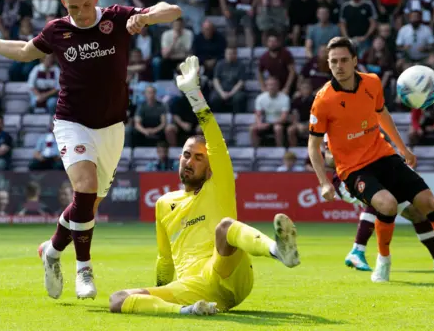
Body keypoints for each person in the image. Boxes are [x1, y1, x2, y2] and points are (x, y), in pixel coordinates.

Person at [0, 0, 182, 300]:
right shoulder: (57, 31)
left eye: (85, 5)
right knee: (84, 188)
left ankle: (51, 251)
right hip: (71, 122)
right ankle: (83, 269)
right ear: (62, 3)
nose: (80, 14)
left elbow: (173, 11)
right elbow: (25, 50)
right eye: (72, 8)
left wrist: (146, 17)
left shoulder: (117, 18)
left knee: (87, 206)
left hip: (112, 127)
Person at [109, 56, 300, 316]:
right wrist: (160, 292)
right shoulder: (164, 204)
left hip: (229, 272)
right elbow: (165, 260)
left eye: (199, 158)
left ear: (210, 167)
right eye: (187, 154)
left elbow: (216, 142)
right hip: (194, 288)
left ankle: (279, 251)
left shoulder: (217, 185)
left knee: (225, 227)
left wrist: (194, 96)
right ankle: (189, 311)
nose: (190, 161)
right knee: (117, 299)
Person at [307, 37, 434, 284]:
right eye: (333, 62)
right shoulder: (323, 100)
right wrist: (324, 182)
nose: (338, 66)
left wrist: (402, 148)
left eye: (343, 60)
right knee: (387, 204)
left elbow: (382, 114)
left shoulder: (372, 83)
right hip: (353, 170)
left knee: (429, 202)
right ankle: (383, 261)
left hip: (383, 156)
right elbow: (313, 145)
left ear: (354, 61)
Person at [320, 138, 434, 272]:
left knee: (416, 213)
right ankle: (357, 251)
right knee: (379, 200)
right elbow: (330, 159)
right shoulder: (338, 124)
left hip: (376, 174)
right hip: (348, 178)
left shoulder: (367, 121)